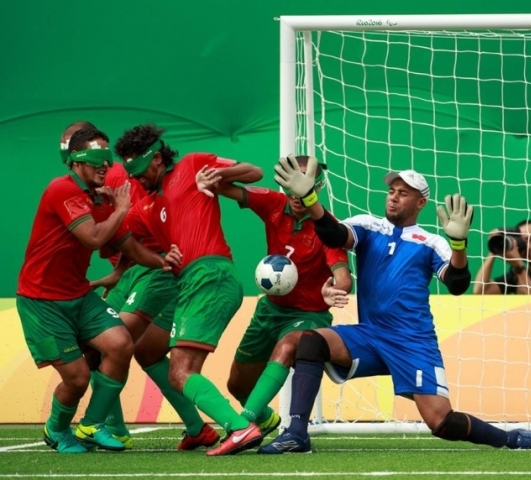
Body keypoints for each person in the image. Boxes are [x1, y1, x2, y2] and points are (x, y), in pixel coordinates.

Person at [259, 157, 531, 454]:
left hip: (412, 342)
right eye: (391, 191)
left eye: (403, 193)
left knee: (442, 422)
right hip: (370, 334)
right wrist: (311, 198)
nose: (393, 198)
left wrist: (459, 245)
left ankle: (513, 438)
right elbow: (333, 234)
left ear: (420, 203)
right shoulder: (368, 226)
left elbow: (457, 285)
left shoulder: (431, 242)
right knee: (310, 342)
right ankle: (296, 434)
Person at [17, 127, 181, 454]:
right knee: (77, 379)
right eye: (96, 160)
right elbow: (93, 237)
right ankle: (57, 429)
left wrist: (163, 262)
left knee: (120, 343)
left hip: (78, 296)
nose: (104, 166)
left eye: (107, 160)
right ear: (76, 162)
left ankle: (93, 424)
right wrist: (121, 208)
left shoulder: (100, 199)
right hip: (41, 302)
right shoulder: (60, 190)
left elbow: (129, 247)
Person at [113, 124, 264, 456]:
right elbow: (123, 241)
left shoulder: (193, 164)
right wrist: (159, 257)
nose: (136, 179)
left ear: (156, 159)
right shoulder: (147, 206)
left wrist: (216, 176)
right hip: (190, 283)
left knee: (181, 371)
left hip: (210, 275)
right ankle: (257, 420)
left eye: (139, 171)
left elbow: (254, 172)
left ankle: (240, 428)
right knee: (164, 360)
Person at [195, 156, 352, 452]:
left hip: (309, 316)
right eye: (291, 187)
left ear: (316, 186)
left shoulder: (329, 228)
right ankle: (264, 421)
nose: (296, 195)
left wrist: (334, 289)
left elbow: (343, 277)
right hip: (270, 310)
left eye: (304, 187)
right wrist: (209, 179)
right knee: (238, 386)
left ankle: (241, 427)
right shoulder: (271, 203)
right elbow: (227, 188)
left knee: (288, 346)